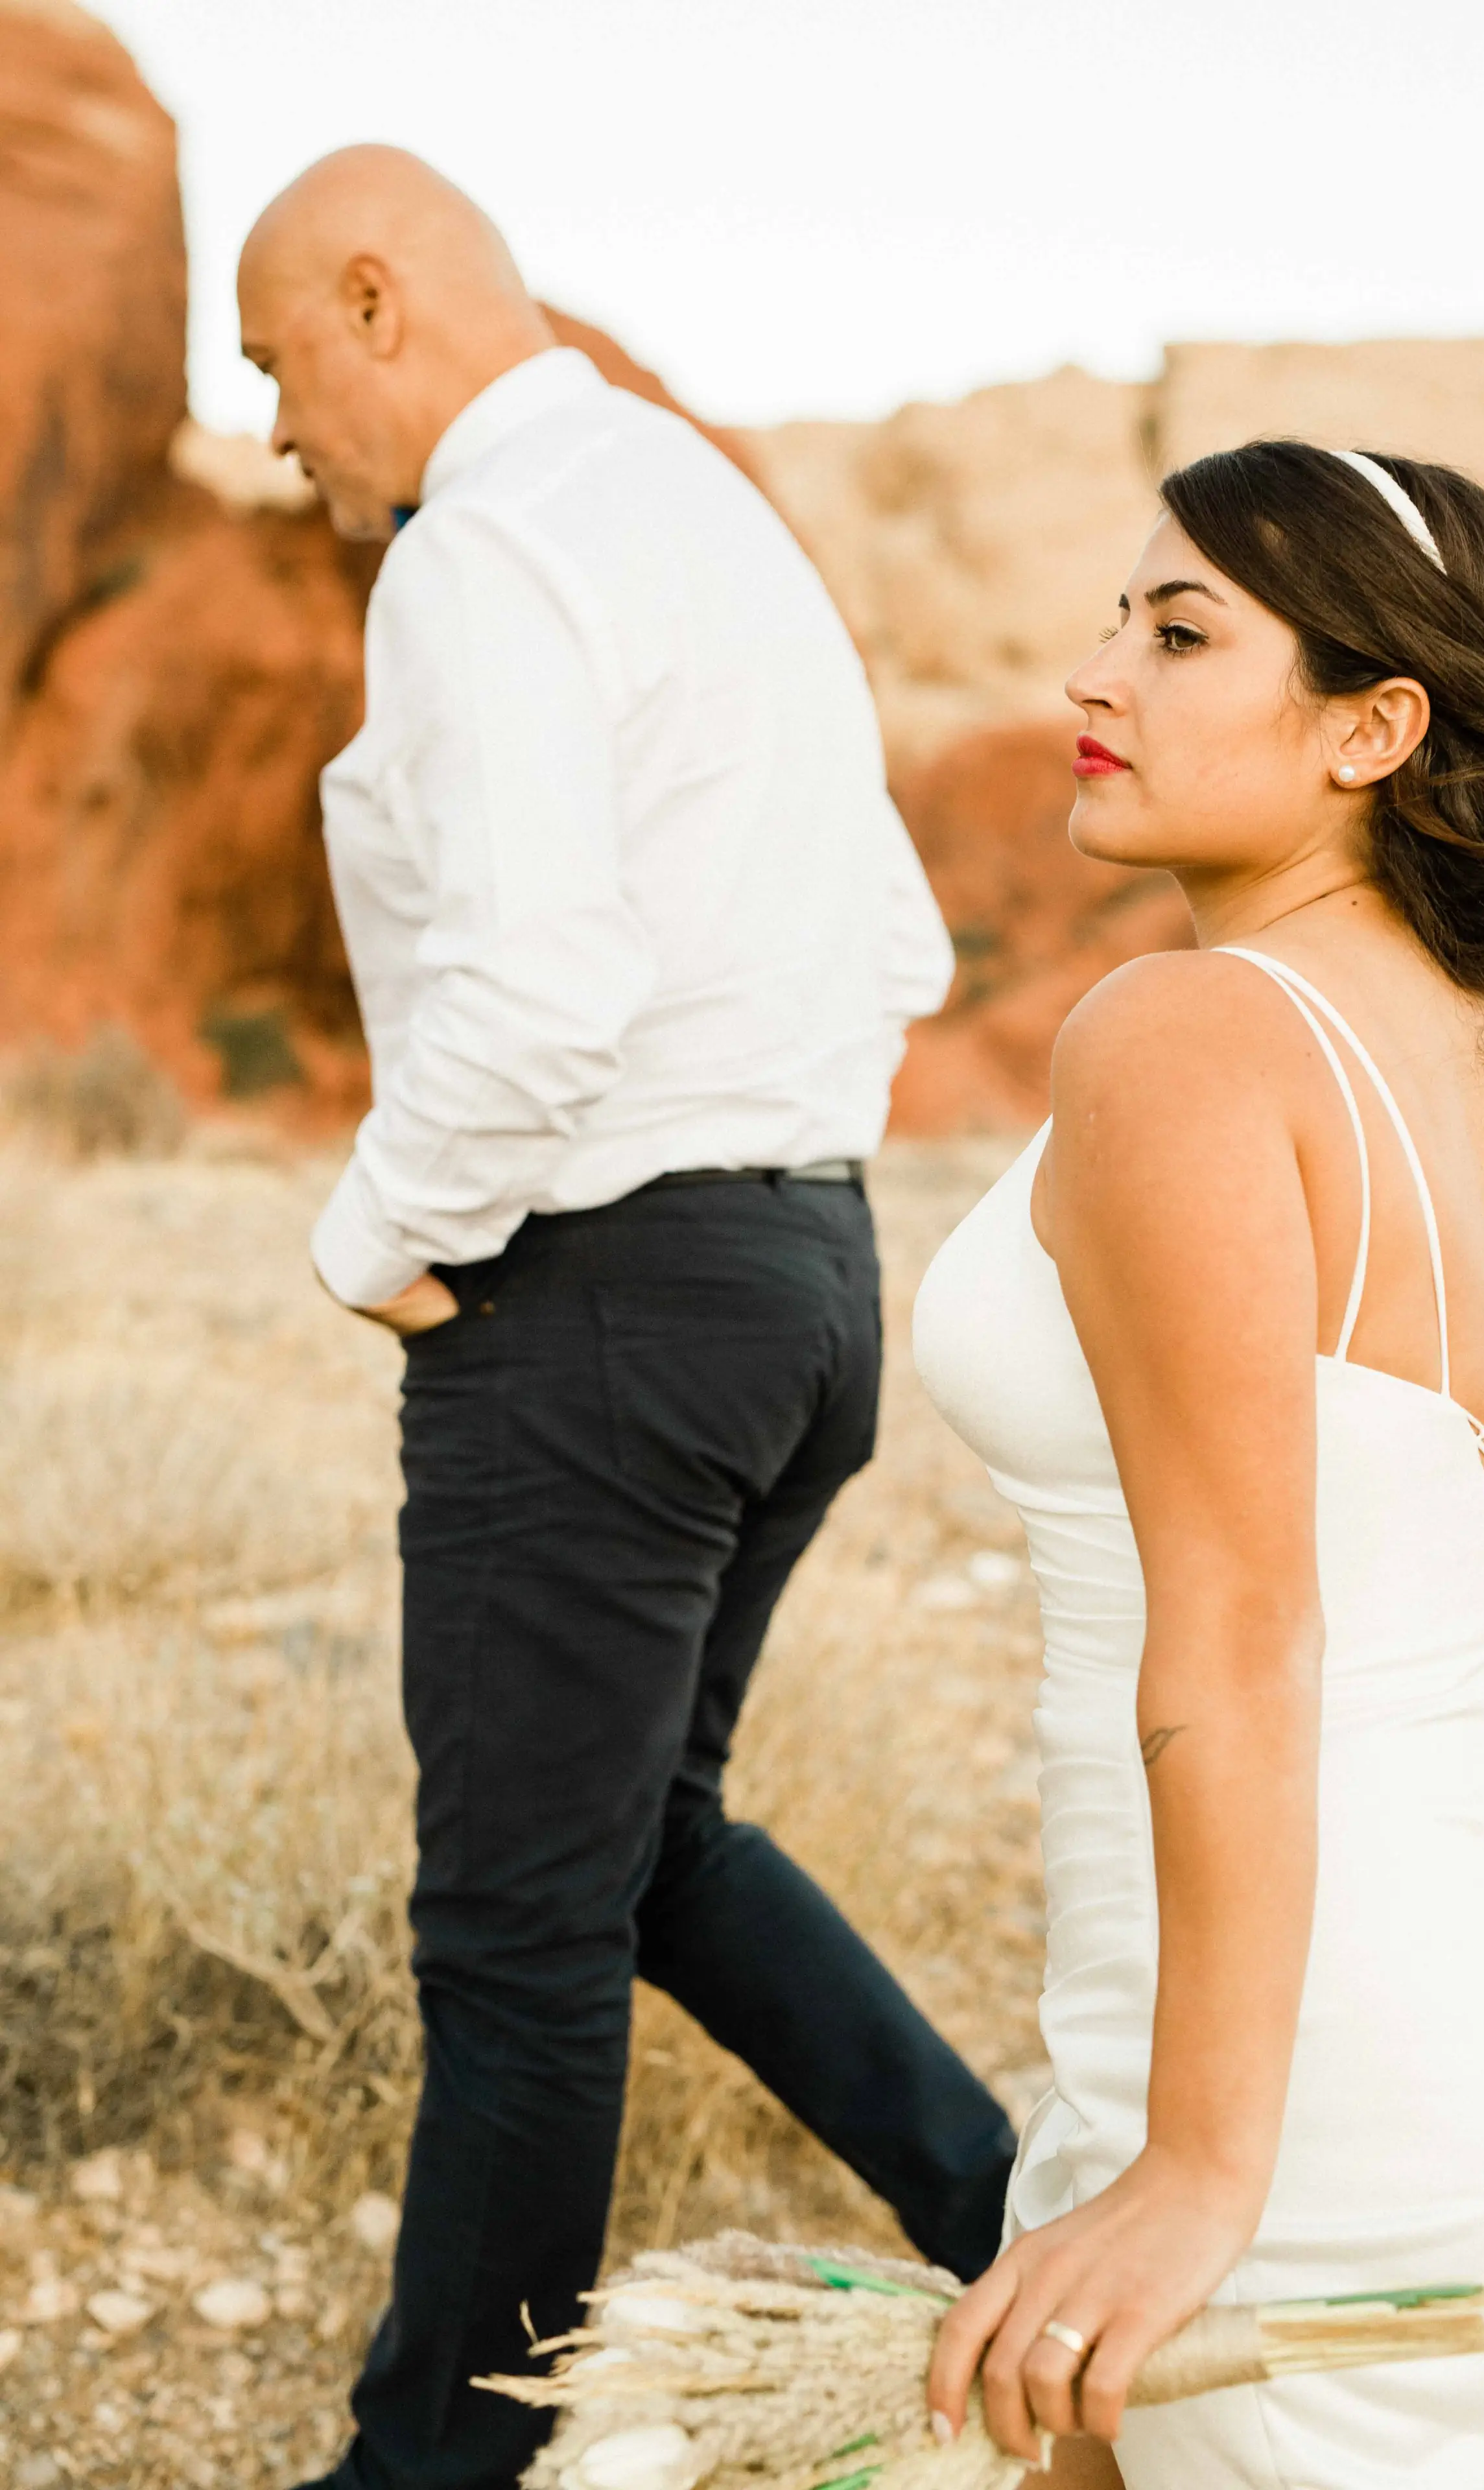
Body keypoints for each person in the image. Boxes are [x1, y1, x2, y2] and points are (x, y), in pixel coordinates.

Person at [236, 145, 1017, 2490]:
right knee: (647, 1845)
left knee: (513, 1938)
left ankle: (434, 2479)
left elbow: (541, 982)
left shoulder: (484, 546)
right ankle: (1025, 2226)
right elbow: (901, 951)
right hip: (803, 1281)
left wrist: (365, 1231)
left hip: (603, 1300)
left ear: (379, 300)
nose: (277, 430)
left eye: (278, 361)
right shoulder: (695, 505)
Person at [914, 440, 1484, 2487]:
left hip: (1284, 2077)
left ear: (1374, 727)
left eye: (1178, 634)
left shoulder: (1179, 1041)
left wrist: (1205, 2155)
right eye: (1113, 623)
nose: (1098, 678)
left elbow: (1240, 1629)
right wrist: (1428, 1804)